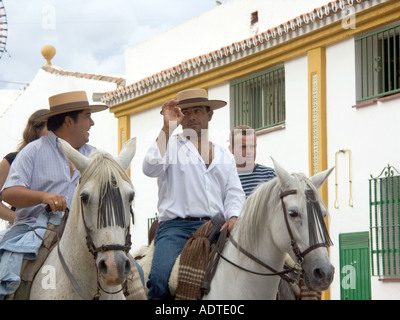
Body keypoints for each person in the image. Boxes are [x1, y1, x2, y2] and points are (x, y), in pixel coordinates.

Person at [0, 91, 107, 299]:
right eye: (87, 116)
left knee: (134, 274)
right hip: (33, 230)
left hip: (87, 234)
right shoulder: (33, 151)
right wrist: (43, 197)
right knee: (10, 276)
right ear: (69, 121)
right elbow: (9, 193)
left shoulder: (95, 156)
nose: (92, 123)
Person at [143, 88, 245, 300]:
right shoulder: (169, 145)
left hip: (216, 226)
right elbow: (149, 168)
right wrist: (166, 127)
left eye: (198, 110)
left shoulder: (224, 154)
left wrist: (234, 216)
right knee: (160, 278)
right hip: (175, 229)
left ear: (210, 114)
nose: (191, 116)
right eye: (185, 112)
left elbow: (234, 192)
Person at [0, 109, 48, 228]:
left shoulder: (63, 161)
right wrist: (19, 219)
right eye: (51, 128)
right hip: (22, 229)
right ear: (37, 130)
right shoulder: (12, 160)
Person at [229, 125, 276, 198]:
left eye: (252, 146)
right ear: (231, 149)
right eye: (243, 147)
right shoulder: (225, 179)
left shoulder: (271, 176)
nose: (249, 151)